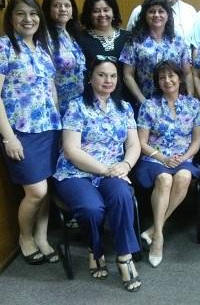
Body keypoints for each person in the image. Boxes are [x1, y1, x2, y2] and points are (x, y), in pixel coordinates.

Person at [0, 0, 61, 265]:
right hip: (20, 131)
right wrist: (9, 137)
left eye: (33, 14)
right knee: (35, 190)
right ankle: (25, 237)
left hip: (48, 127)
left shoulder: (41, 49)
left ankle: (42, 236)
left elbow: (50, 88)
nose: (28, 19)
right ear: (11, 18)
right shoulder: (0, 47)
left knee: (46, 186)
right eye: (21, 14)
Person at [52, 56, 142, 292]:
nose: (107, 80)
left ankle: (124, 257)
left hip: (113, 171)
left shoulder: (124, 108)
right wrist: (106, 170)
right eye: (101, 75)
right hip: (76, 172)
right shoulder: (76, 106)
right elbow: (71, 150)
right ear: (90, 78)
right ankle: (95, 247)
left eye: (112, 75)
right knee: (92, 208)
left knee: (122, 197)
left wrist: (126, 166)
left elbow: (134, 145)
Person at [134, 61, 200, 267]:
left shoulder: (193, 105)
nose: (167, 81)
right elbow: (141, 142)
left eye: (171, 76)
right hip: (154, 158)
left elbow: (196, 140)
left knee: (183, 176)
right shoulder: (149, 105)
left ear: (180, 78)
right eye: (162, 77)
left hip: (183, 158)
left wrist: (183, 157)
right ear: (157, 82)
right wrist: (162, 158)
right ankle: (159, 238)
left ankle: (155, 230)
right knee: (164, 179)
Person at [119, 0, 194, 104]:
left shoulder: (178, 41)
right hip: (147, 102)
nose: (156, 15)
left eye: (161, 11)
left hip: (176, 103)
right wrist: (143, 102)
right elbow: (127, 75)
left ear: (168, 15)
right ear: (145, 15)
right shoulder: (135, 41)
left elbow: (187, 73)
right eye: (152, 11)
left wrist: (190, 98)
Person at [42, 0, 86, 113]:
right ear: (47, 10)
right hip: (57, 105)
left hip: (77, 104)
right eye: (57, 5)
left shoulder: (72, 34)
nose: (63, 9)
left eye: (67, 5)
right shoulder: (44, 37)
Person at [76, 0, 129, 67]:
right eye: (96, 11)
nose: (102, 14)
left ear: (113, 12)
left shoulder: (128, 37)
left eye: (106, 10)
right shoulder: (79, 39)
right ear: (89, 15)